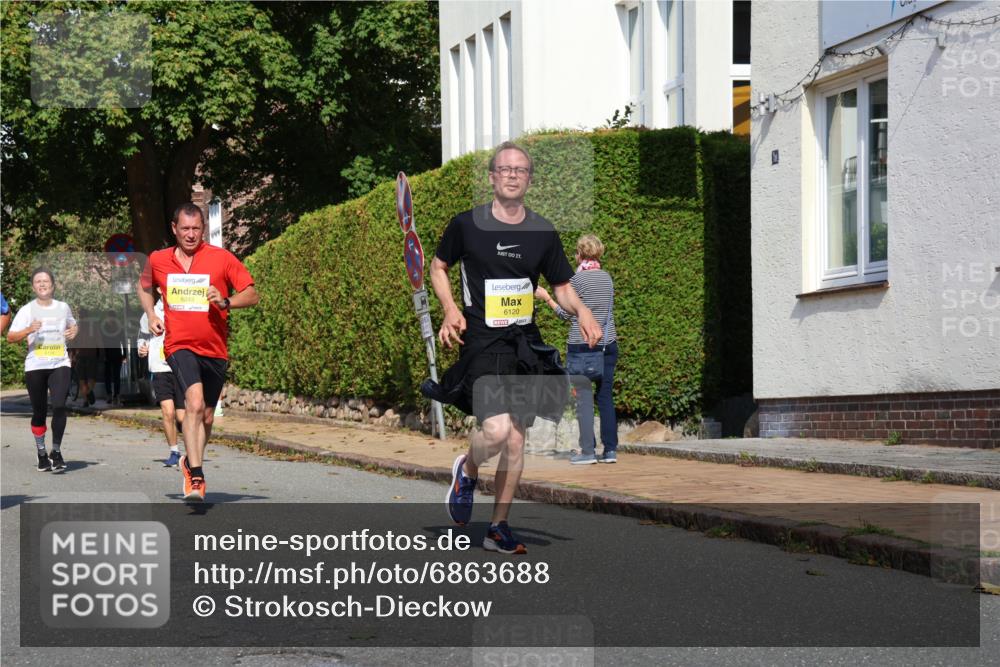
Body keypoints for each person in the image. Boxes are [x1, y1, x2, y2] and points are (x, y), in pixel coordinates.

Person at [423, 141, 602, 554]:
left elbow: (561, 286)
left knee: (517, 439)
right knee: (497, 430)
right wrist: (450, 309)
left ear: (529, 180)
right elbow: (438, 267)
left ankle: (498, 527)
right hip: (482, 341)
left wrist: (583, 312)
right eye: (504, 169)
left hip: (524, 343)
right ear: (491, 177)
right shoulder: (467, 225)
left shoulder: (542, 231)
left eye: (520, 170)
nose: (512, 175)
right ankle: (468, 469)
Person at [139, 202, 258, 501]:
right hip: (179, 345)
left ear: (203, 229)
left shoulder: (221, 258)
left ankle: (189, 463)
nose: (191, 234)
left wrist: (226, 301)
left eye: (196, 228)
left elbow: (252, 294)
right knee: (193, 402)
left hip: (214, 348)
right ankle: (197, 476)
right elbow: (144, 287)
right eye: (185, 228)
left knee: (206, 416)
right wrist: (151, 316)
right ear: (174, 229)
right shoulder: (158, 259)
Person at [536, 234, 619, 464]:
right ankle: (610, 451)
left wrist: (547, 298)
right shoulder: (607, 278)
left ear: (580, 254)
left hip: (582, 346)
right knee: (605, 397)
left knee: (583, 398)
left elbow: (566, 314)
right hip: (608, 344)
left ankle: (588, 452)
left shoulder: (577, 280)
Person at [6, 269, 78, 471]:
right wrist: (29, 329)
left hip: (59, 363)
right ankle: (41, 453)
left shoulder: (63, 307)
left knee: (59, 406)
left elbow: (73, 325)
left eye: (46, 281)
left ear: (53, 285)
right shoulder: (26, 310)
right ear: (33, 287)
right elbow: (11, 337)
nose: (42, 284)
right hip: (35, 365)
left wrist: (74, 331)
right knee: (39, 411)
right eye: (38, 281)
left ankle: (56, 451)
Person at [138, 287, 185, 467]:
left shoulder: (183, 309)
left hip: (181, 368)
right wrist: (142, 348)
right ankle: (174, 452)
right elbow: (142, 338)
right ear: (159, 288)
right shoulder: (150, 314)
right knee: (168, 411)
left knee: (182, 417)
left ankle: (191, 450)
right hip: (160, 368)